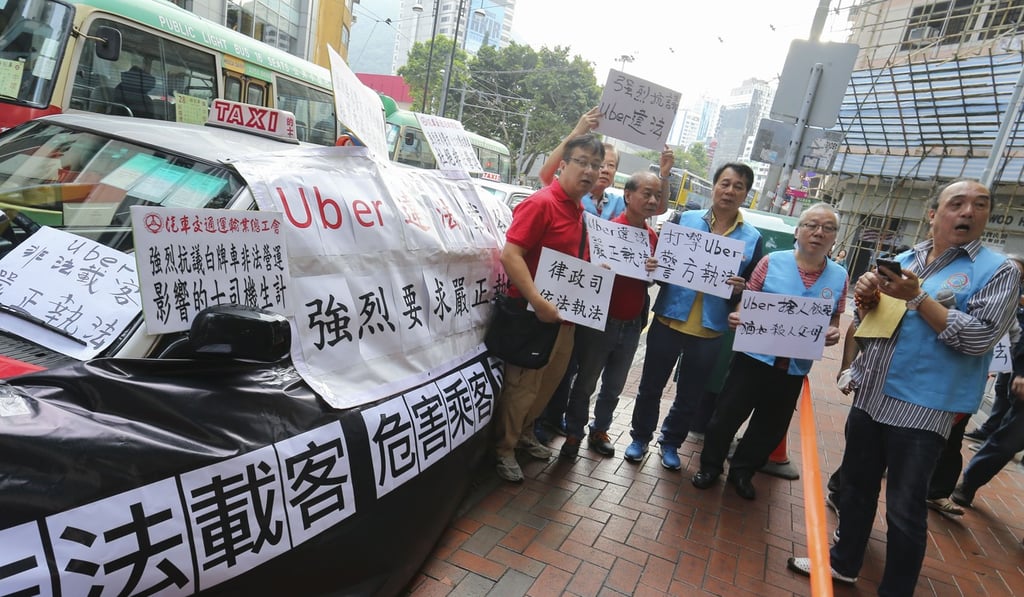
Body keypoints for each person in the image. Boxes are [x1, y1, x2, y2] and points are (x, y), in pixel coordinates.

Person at [787, 179, 1020, 594]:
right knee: (855, 490)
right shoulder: (903, 259)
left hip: (923, 408)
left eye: (980, 205)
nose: (968, 212)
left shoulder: (997, 271)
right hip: (872, 396)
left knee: (904, 508)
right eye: (957, 203)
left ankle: (895, 588)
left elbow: (980, 339)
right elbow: (874, 326)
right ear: (934, 214)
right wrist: (866, 302)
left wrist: (917, 298)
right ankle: (843, 562)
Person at [533, 108, 674, 443]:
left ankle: (597, 430)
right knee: (577, 377)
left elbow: (657, 210)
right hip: (586, 313)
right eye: (593, 164)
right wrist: (579, 127)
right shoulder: (579, 208)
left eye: (606, 165)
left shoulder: (631, 220)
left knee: (605, 381)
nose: (599, 170)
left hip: (625, 318)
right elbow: (546, 174)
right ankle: (565, 429)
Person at [692, 203, 847, 499]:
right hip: (753, 359)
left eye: (828, 228)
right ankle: (710, 466)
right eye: (812, 225)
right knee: (725, 417)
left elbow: (834, 317)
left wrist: (833, 331)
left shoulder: (840, 275)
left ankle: (743, 471)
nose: (819, 233)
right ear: (798, 231)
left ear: (835, 237)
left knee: (769, 427)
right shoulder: (772, 261)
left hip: (793, 367)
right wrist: (739, 314)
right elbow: (747, 299)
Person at [622, 162, 764, 470]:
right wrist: (653, 267)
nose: (730, 191)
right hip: (669, 319)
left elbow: (750, 288)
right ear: (714, 186)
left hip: (710, 329)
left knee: (690, 395)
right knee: (650, 386)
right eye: (725, 183)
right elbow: (660, 271)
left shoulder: (752, 238)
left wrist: (740, 289)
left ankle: (671, 442)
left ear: (746, 194)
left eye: (738, 186)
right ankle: (639, 438)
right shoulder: (683, 220)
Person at [492, 134, 606, 483]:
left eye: (596, 166)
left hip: (564, 319)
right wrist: (538, 302)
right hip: (532, 316)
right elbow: (511, 255)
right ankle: (504, 449)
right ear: (563, 165)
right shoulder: (540, 203)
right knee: (522, 386)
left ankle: (526, 434)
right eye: (582, 162)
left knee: (548, 383)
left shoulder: (580, 212)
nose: (589, 171)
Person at [559, 171, 662, 459]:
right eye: (647, 193)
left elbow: (651, 280)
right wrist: (597, 268)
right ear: (628, 196)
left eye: (657, 195)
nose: (653, 200)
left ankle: (599, 430)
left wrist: (656, 270)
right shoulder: (605, 231)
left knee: (614, 385)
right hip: (599, 321)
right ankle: (573, 432)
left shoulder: (652, 237)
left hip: (632, 326)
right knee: (586, 381)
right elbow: (585, 270)